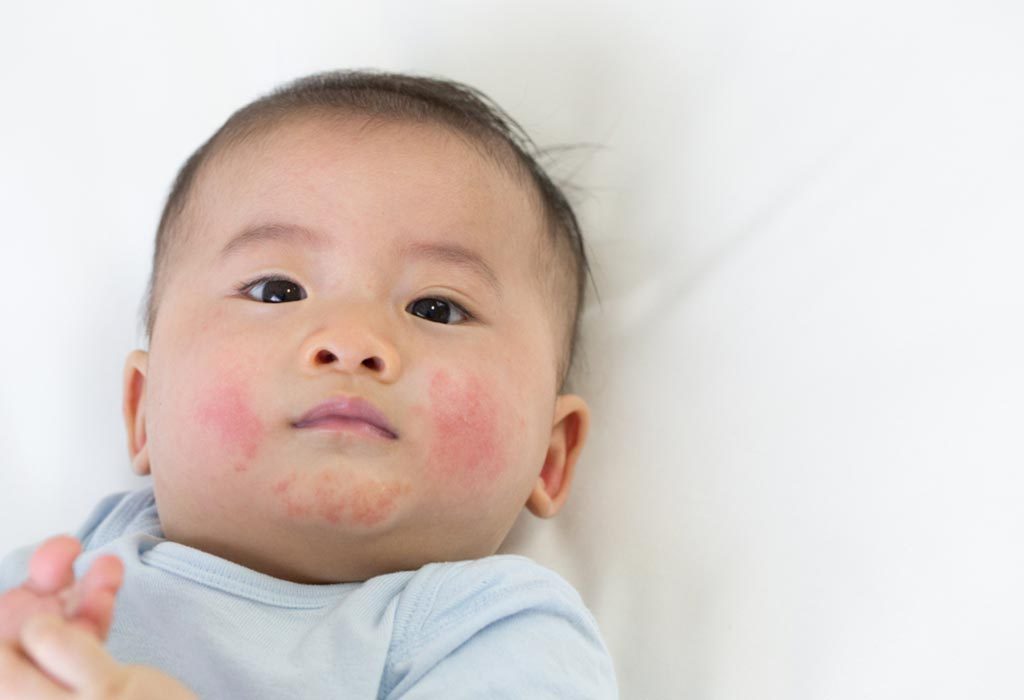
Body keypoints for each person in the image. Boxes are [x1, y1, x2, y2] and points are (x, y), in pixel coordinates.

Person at [0, 69, 618, 698]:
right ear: (142, 412)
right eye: (277, 291)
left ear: (548, 455)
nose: (351, 341)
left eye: (437, 308)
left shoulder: (493, 628)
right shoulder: (50, 587)